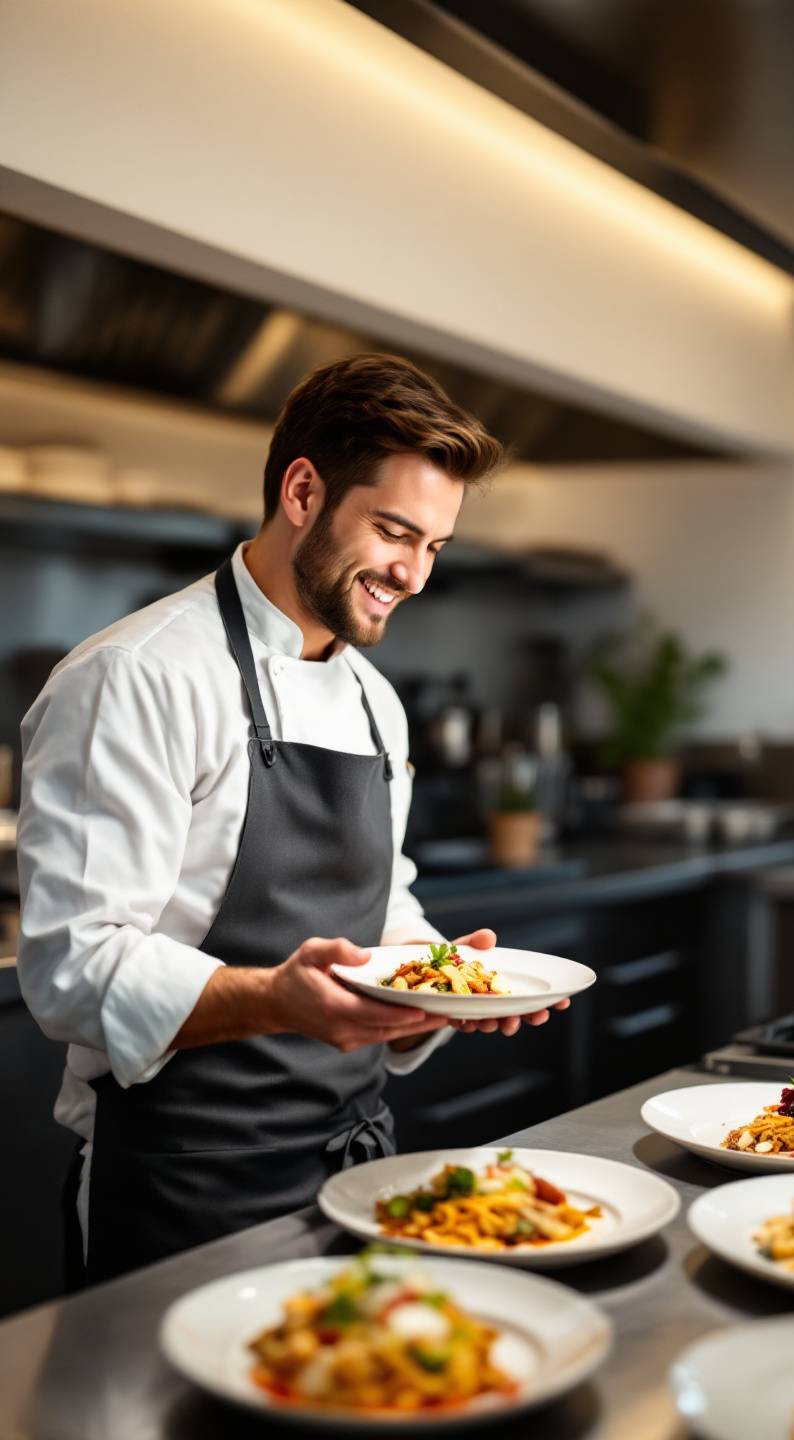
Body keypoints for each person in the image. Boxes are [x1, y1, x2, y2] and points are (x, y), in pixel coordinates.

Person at [17, 354, 568, 1285]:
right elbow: (73, 968)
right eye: (395, 531)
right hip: (183, 1188)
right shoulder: (138, 676)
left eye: (434, 547)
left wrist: (444, 983)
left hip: (357, 1173)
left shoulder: (373, 702)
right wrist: (276, 998)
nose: (413, 574)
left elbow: (384, 908)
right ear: (303, 491)